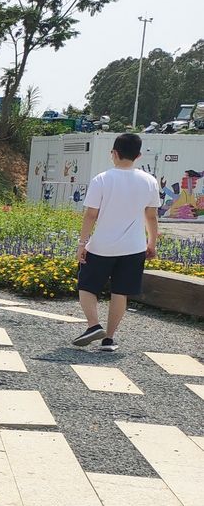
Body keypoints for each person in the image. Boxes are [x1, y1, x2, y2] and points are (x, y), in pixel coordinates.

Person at [73, 133, 160, 352]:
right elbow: (151, 216)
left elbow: (90, 215)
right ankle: (109, 339)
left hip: (102, 245)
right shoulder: (149, 181)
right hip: (134, 247)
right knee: (120, 292)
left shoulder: (102, 179)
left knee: (86, 285)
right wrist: (152, 243)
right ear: (138, 155)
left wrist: (82, 243)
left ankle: (94, 325)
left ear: (114, 153)